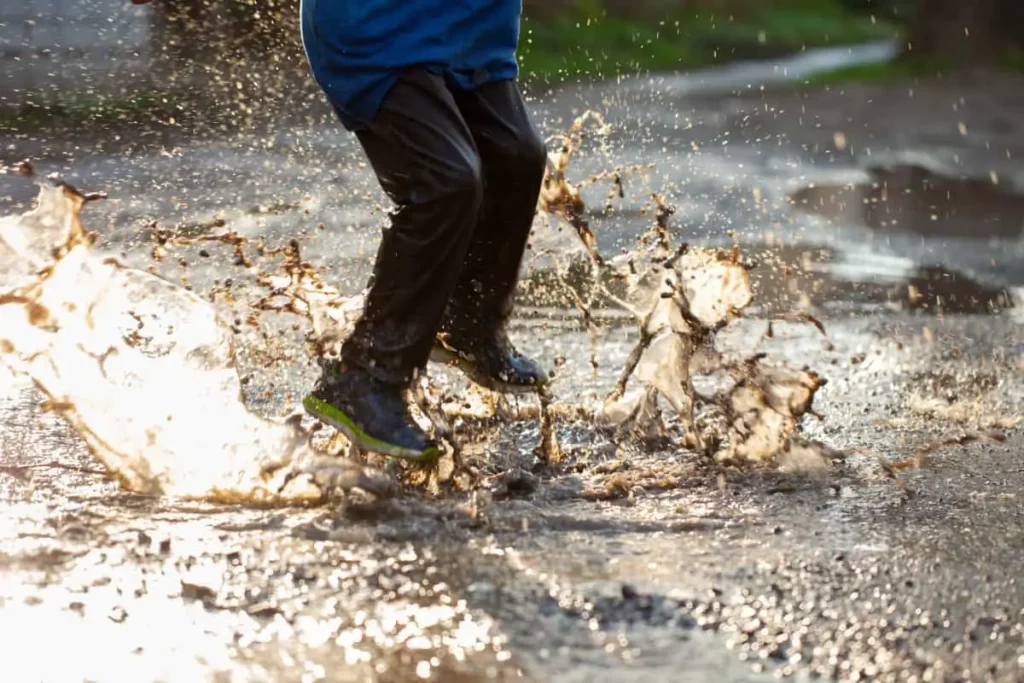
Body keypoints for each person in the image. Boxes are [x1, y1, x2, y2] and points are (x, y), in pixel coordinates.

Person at [298, 0, 550, 461]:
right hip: (377, 30)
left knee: (517, 159)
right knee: (447, 181)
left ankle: (466, 325)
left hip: (471, 30)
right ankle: (365, 376)